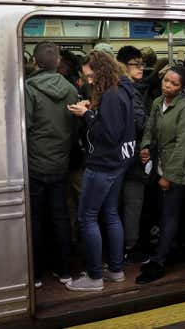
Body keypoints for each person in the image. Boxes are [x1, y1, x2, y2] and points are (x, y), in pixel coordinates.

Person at [65, 51, 136, 292]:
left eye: (92, 76)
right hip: (119, 162)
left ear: (103, 71)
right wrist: (93, 110)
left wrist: (86, 115)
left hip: (104, 164)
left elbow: (108, 134)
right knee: (111, 213)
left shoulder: (113, 95)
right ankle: (115, 270)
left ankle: (94, 277)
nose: (90, 81)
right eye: (87, 77)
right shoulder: (122, 88)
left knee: (87, 218)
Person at [25, 42, 79, 288]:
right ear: (58, 62)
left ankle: (36, 275)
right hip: (61, 163)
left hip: (35, 165)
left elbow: (25, 127)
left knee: (35, 219)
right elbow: (75, 125)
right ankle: (64, 270)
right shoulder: (70, 89)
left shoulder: (28, 88)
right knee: (60, 217)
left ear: (35, 62)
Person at [137, 66, 185, 284]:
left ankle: (159, 262)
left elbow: (183, 144)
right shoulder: (157, 103)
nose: (167, 86)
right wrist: (144, 147)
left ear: (182, 88)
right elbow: (149, 129)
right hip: (160, 165)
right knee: (161, 214)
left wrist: (168, 176)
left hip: (178, 172)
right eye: (166, 81)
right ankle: (164, 250)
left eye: (174, 84)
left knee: (169, 215)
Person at [116, 46, 149, 262]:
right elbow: (140, 122)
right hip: (133, 157)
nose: (141, 68)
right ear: (123, 66)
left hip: (119, 156)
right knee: (132, 203)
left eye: (142, 64)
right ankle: (129, 246)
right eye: (136, 64)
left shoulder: (117, 88)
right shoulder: (130, 91)